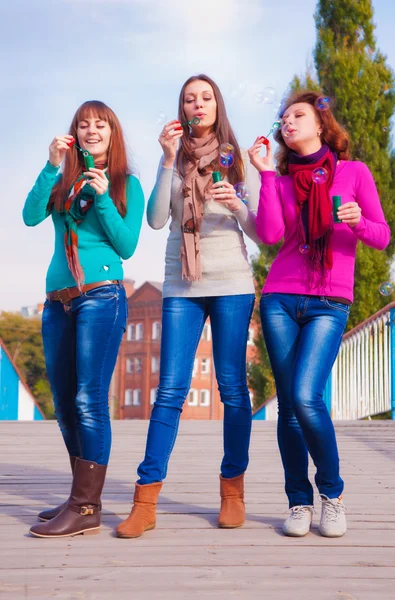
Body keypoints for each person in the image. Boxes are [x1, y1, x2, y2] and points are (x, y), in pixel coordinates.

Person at [116, 74, 261, 539]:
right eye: (189, 99)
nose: (198, 104)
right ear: (181, 109)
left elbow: (261, 233)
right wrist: (164, 160)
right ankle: (146, 498)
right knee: (171, 390)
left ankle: (233, 492)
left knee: (233, 389)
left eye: (206, 97)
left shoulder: (238, 160)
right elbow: (157, 220)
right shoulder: (174, 160)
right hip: (181, 285)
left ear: (218, 105)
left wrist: (237, 206)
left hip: (232, 282)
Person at [248, 90, 390, 537]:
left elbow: (382, 236)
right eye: (284, 117)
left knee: (306, 396)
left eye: (298, 115)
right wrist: (266, 175)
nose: (288, 122)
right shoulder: (283, 179)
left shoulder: (355, 173)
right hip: (279, 299)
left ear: (320, 125)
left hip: (330, 301)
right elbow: (270, 235)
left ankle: (332, 493)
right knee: (288, 406)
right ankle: (298, 502)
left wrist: (357, 223)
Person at [23, 100, 144, 538]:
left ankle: (87, 507)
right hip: (57, 302)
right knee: (63, 404)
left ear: (113, 132)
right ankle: (80, 494)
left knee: (89, 401)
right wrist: (51, 165)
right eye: (83, 124)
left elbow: (127, 245)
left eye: (101, 124)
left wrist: (105, 196)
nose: (92, 129)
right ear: (75, 134)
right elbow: (30, 215)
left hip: (101, 297)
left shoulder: (126, 182)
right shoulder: (62, 181)